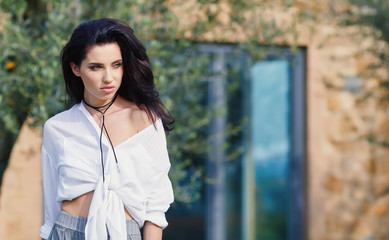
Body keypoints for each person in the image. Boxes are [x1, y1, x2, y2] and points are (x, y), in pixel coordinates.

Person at [39, 18, 174, 240]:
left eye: (116, 65)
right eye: (96, 67)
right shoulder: (57, 128)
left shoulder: (145, 120)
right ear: (75, 68)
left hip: (124, 231)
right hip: (67, 232)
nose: (108, 78)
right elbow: (50, 212)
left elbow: (155, 207)